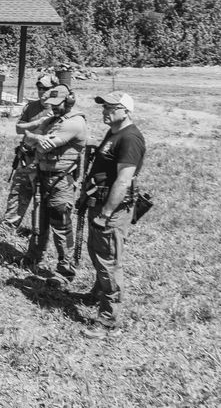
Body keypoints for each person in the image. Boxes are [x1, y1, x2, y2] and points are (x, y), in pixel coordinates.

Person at [80, 92, 145, 339]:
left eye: (111, 107)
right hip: (99, 203)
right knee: (97, 253)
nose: (105, 111)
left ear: (126, 110)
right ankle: (97, 294)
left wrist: (106, 213)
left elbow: (124, 180)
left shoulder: (130, 138)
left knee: (109, 263)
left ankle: (108, 322)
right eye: (104, 107)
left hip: (113, 210)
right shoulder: (114, 132)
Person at [21, 85, 88, 288]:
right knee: (39, 221)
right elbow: (26, 137)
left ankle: (66, 269)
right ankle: (34, 256)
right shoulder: (52, 120)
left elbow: (39, 144)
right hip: (44, 177)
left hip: (61, 181)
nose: (53, 109)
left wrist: (36, 139)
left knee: (61, 224)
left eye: (57, 105)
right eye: (51, 105)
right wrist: (37, 138)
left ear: (69, 102)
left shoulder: (74, 123)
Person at [0, 75, 56, 237]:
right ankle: (8, 226)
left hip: (45, 161)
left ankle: (39, 232)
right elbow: (19, 128)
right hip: (26, 157)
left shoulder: (58, 110)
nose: (42, 92)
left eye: (46, 89)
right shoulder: (31, 107)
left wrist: (31, 132)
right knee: (18, 192)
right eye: (40, 88)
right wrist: (37, 125)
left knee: (41, 197)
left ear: (54, 89)